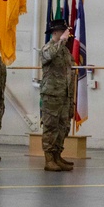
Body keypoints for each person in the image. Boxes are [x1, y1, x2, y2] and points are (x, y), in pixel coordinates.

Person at [40, 19, 75, 172]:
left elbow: (69, 74)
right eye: (63, 31)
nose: (66, 34)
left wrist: (71, 96)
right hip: (51, 95)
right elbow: (48, 57)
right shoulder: (47, 48)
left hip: (64, 95)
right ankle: (49, 159)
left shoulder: (65, 51)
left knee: (63, 127)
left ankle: (57, 156)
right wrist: (61, 42)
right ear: (55, 32)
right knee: (51, 127)